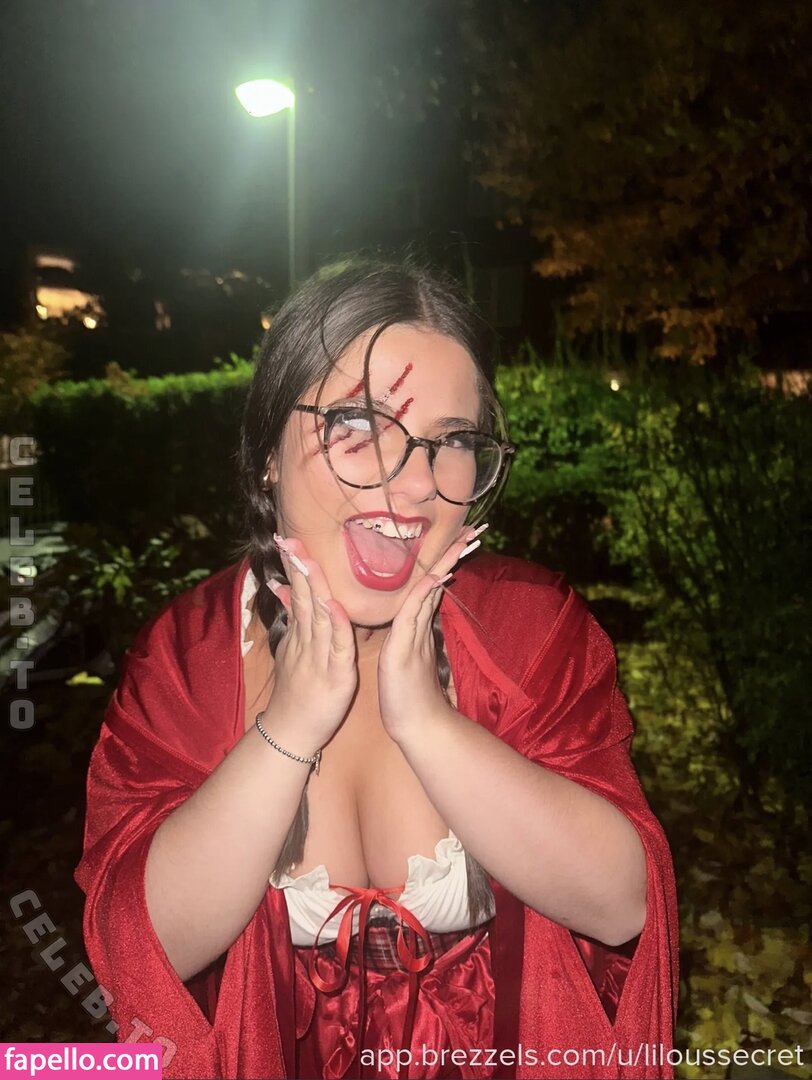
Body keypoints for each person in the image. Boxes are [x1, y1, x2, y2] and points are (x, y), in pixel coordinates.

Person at [75, 258, 678, 1080]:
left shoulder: (530, 630)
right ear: (267, 452)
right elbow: (139, 954)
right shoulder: (188, 658)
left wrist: (428, 724)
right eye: (358, 424)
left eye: (454, 441)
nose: (418, 483)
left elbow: (621, 906)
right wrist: (288, 730)